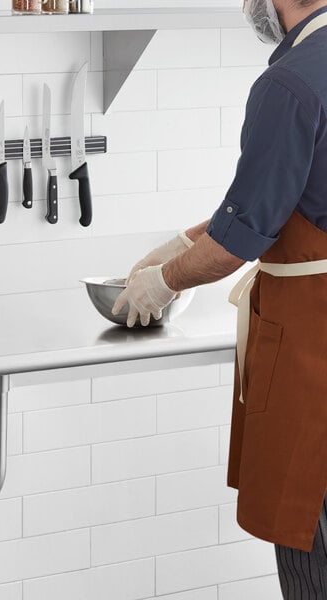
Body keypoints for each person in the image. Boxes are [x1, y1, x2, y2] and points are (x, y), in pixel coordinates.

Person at [111, 0, 327, 596]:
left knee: (314, 545)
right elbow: (281, 205)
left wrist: (164, 279)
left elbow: (243, 240)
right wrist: (185, 240)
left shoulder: (291, 82)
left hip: (318, 358)